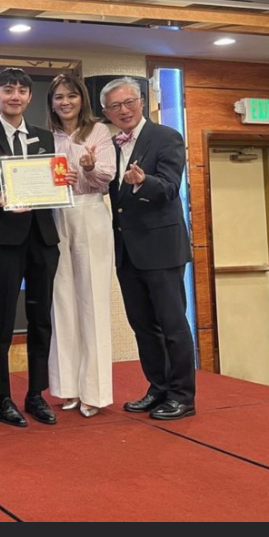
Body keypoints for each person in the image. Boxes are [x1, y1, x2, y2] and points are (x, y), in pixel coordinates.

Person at [0, 68, 60, 427]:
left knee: (41, 318)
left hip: (43, 237)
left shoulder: (44, 137)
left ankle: (36, 393)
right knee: (2, 318)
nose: (15, 96)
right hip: (5, 238)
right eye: (8, 90)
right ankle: (1, 395)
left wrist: (63, 181)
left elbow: (53, 181)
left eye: (21, 91)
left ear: (30, 97)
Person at [101, 77, 197, 420]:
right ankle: (158, 389)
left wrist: (145, 181)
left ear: (142, 101)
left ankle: (182, 396)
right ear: (106, 112)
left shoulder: (166, 137)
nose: (124, 110)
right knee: (143, 326)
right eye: (115, 106)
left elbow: (170, 187)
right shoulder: (110, 145)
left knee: (172, 325)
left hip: (161, 248)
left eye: (129, 102)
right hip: (127, 251)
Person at [46, 73, 116, 418]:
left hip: (90, 213)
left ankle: (95, 392)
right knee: (62, 302)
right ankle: (68, 388)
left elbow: (107, 175)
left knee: (92, 301)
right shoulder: (45, 136)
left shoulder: (98, 131)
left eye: (71, 96)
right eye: (59, 97)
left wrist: (88, 168)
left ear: (82, 99)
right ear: (51, 102)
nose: (65, 102)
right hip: (56, 215)